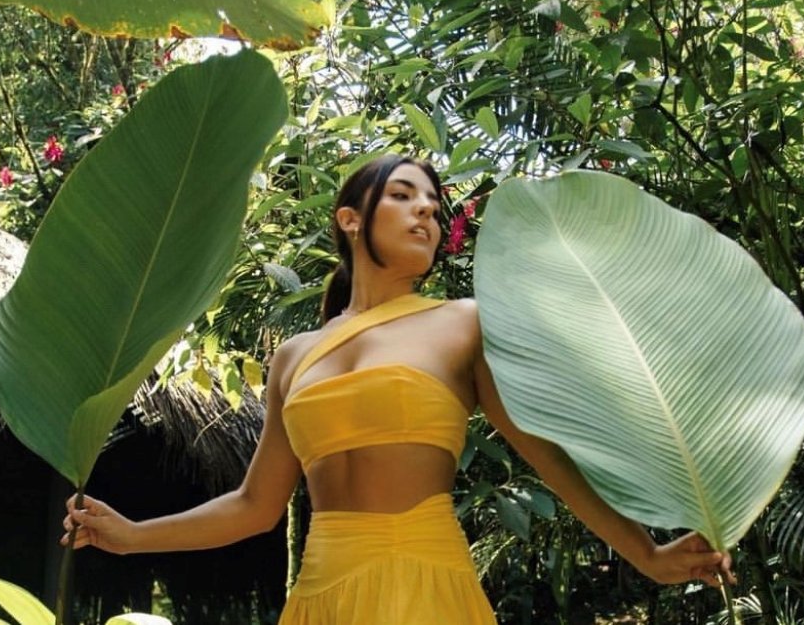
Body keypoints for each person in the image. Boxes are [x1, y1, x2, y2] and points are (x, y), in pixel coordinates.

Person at [62, 154, 735, 623]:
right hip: (321, 593)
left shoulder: (463, 322)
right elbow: (253, 505)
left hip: (425, 582)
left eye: (436, 210)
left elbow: (545, 454)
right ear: (350, 219)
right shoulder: (293, 357)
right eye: (404, 195)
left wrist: (645, 550)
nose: (426, 215)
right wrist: (131, 535)